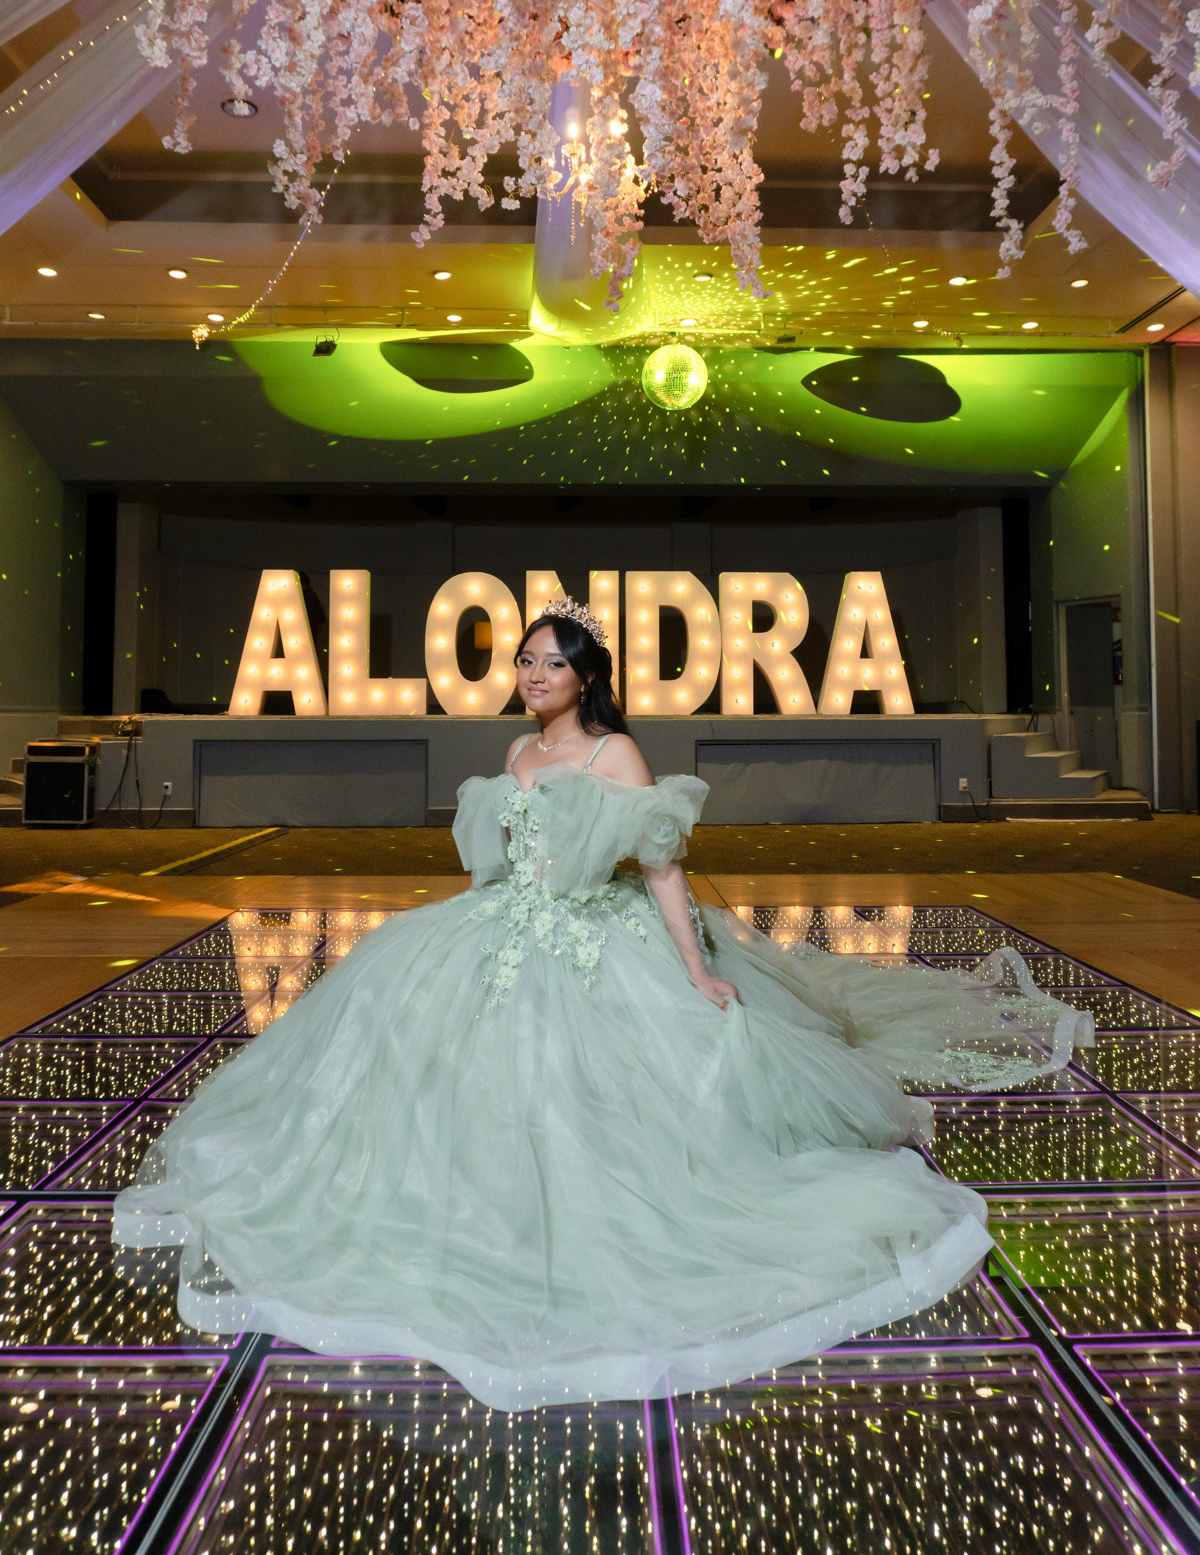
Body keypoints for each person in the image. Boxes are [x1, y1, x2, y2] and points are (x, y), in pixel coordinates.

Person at [113, 597, 1092, 1411]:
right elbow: (507, 861)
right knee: (425, 1054)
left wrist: (695, 969)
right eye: (526, 660)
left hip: (594, 930)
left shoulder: (615, 754)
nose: (534, 674)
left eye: (553, 663)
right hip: (505, 923)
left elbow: (662, 869)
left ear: (585, 677)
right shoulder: (516, 749)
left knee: (602, 1086)